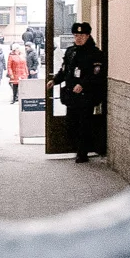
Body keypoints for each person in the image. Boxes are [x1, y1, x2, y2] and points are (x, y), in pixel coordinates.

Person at [49, 21, 105, 162]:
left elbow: (96, 74)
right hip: (71, 96)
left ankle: (82, 153)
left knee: (84, 125)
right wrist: (55, 80)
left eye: (81, 35)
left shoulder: (95, 53)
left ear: (88, 36)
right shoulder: (70, 52)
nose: (78, 38)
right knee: (71, 124)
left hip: (86, 96)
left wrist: (83, 85)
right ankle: (77, 148)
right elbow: (65, 70)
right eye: (76, 35)